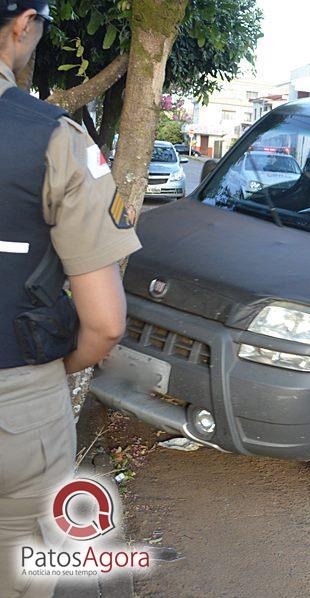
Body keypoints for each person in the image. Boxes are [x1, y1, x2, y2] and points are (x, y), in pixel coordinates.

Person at [0, 3, 141, 595]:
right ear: (23, 22)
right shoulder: (54, 140)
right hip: (15, 408)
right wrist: (52, 375)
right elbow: (106, 323)